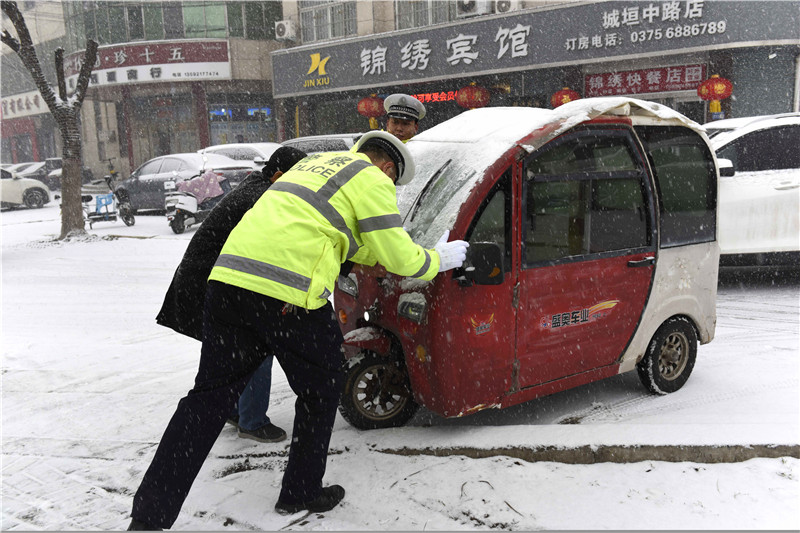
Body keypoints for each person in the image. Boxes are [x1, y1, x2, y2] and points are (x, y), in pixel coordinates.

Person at [128, 131, 468, 530]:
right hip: (288, 296)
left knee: (205, 403)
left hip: (228, 286)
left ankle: (149, 517)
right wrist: (435, 259)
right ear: (389, 168)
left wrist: (399, 253)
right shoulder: (373, 177)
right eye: (392, 183)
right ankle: (300, 491)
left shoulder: (309, 168)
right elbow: (399, 256)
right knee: (322, 387)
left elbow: (352, 243)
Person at [155, 146, 307, 444]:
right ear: (278, 175)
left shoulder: (257, 185)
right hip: (210, 281)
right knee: (255, 346)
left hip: (203, 277)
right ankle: (251, 421)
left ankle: (237, 410)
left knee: (234, 351)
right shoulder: (262, 199)